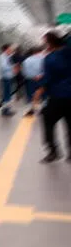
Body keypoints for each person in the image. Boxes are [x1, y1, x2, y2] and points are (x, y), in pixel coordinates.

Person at [35, 31, 71, 163]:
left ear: (49, 43)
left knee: (48, 122)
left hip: (57, 97)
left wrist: (38, 94)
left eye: (45, 43)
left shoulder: (49, 58)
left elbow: (47, 79)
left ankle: (53, 152)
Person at [22, 46, 45, 116]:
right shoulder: (42, 59)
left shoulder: (26, 60)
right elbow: (45, 69)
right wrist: (40, 75)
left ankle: (33, 109)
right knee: (41, 94)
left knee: (32, 94)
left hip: (30, 80)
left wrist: (32, 76)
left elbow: (24, 72)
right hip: (41, 79)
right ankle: (41, 109)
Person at [0, 44, 16, 116]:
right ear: (6, 49)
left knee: (8, 95)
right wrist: (12, 67)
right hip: (5, 78)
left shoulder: (7, 57)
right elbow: (3, 67)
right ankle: (6, 111)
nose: (11, 50)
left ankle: (7, 110)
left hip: (8, 78)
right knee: (6, 96)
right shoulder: (2, 57)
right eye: (10, 49)